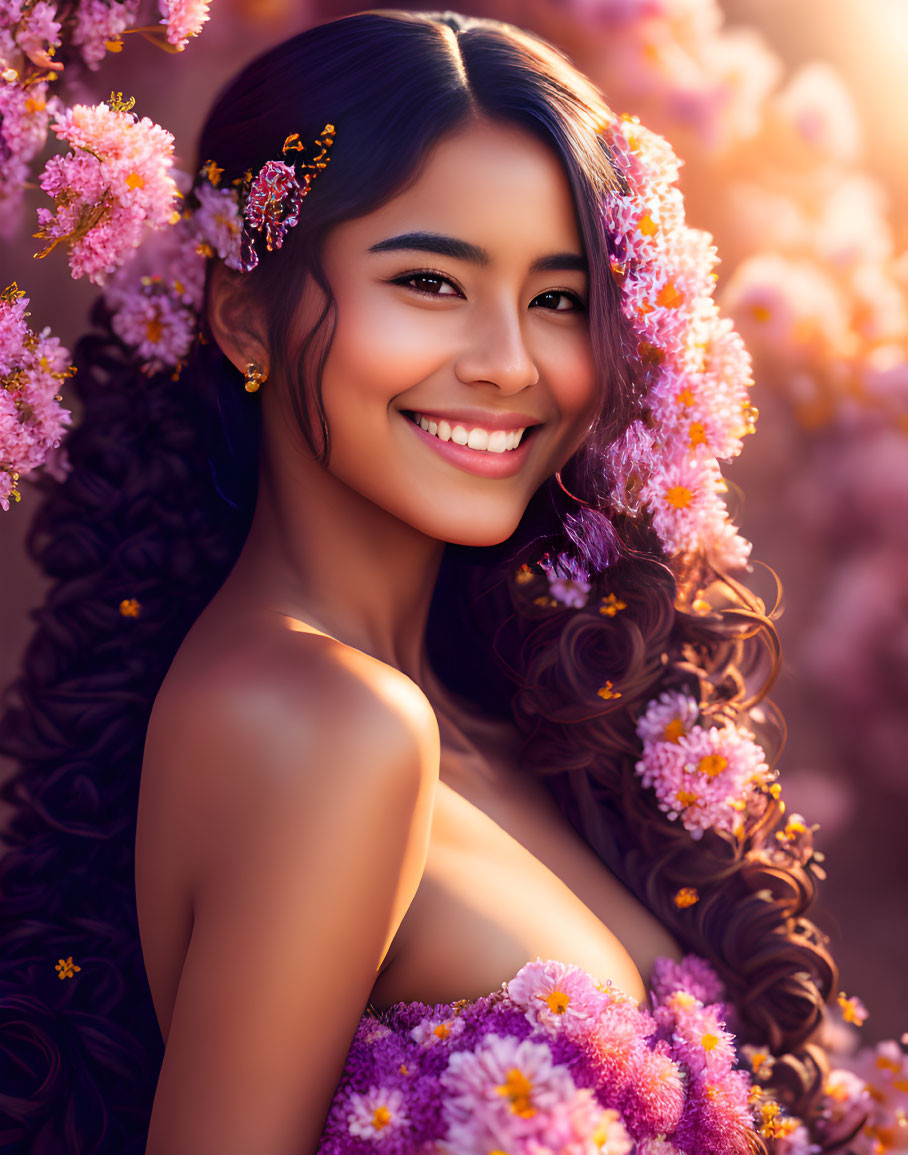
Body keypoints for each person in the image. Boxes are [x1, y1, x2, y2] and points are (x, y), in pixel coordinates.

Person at [0, 9, 841, 1154]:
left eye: (554, 298)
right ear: (247, 317)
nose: (507, 362)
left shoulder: (480, 710)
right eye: (431, 283)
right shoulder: (328, 727)